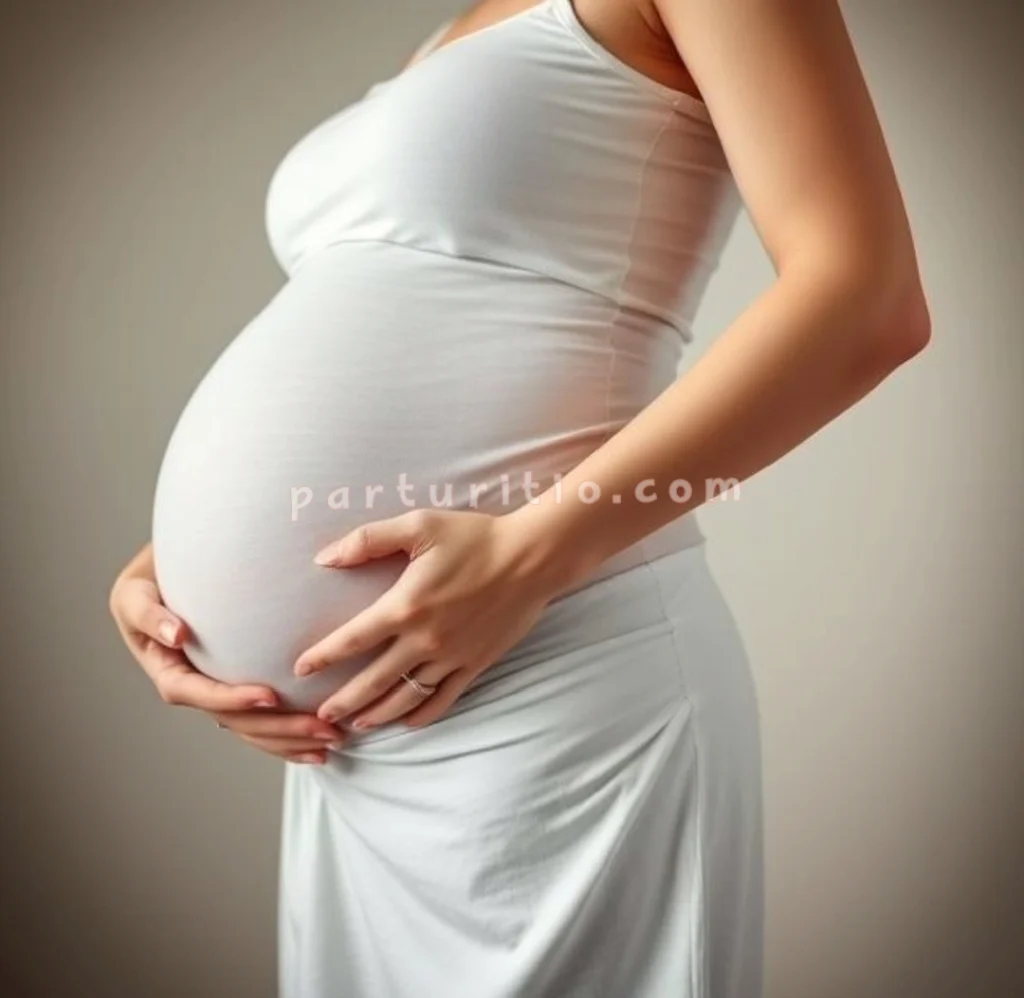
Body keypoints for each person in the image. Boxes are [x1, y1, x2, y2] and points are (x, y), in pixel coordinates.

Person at [108, 1, 931, 995]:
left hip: (555, 679)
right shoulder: (454, 29)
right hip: (358, 757)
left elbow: (867, 297)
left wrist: (533, 552)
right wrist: (179, 576)